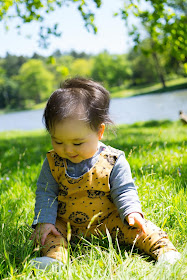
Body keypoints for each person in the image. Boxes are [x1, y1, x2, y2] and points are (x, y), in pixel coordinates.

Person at [31, 77, 180, 269]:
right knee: (48, 234)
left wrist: (132, 212)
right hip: (67, 225)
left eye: (77, 143)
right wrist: (44, 221)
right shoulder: (53, 162)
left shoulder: (113, 160)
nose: (68, 149)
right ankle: (54, 259)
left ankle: (166, 253)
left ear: (99, 132)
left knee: (143, 229)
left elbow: (125, 190)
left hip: (110, 222)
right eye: (58, 141)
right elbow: (46, 193)